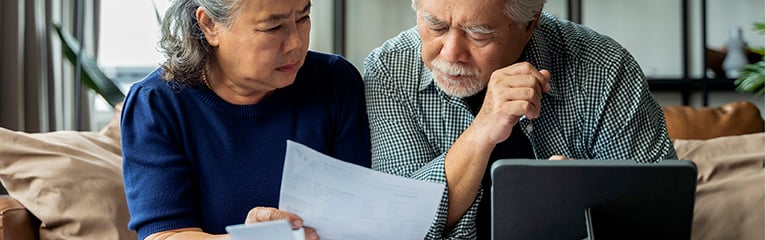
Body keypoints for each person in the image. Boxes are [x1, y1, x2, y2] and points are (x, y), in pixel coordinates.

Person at [363, 0, 677, 239]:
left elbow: (660, 214)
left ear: (530, 23)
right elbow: (397, 224)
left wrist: (587, 200)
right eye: (436, 25)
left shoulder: (603, 67)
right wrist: (483, 130)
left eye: (479, 33)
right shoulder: (389, 70)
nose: (451, 52)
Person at [120, 0, 371, 239]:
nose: (296, 43)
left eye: (303, 18)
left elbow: (362, 212)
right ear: (209, 25)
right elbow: (164, 234)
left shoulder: (335, 82)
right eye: (273, 27)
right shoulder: (156, 104)